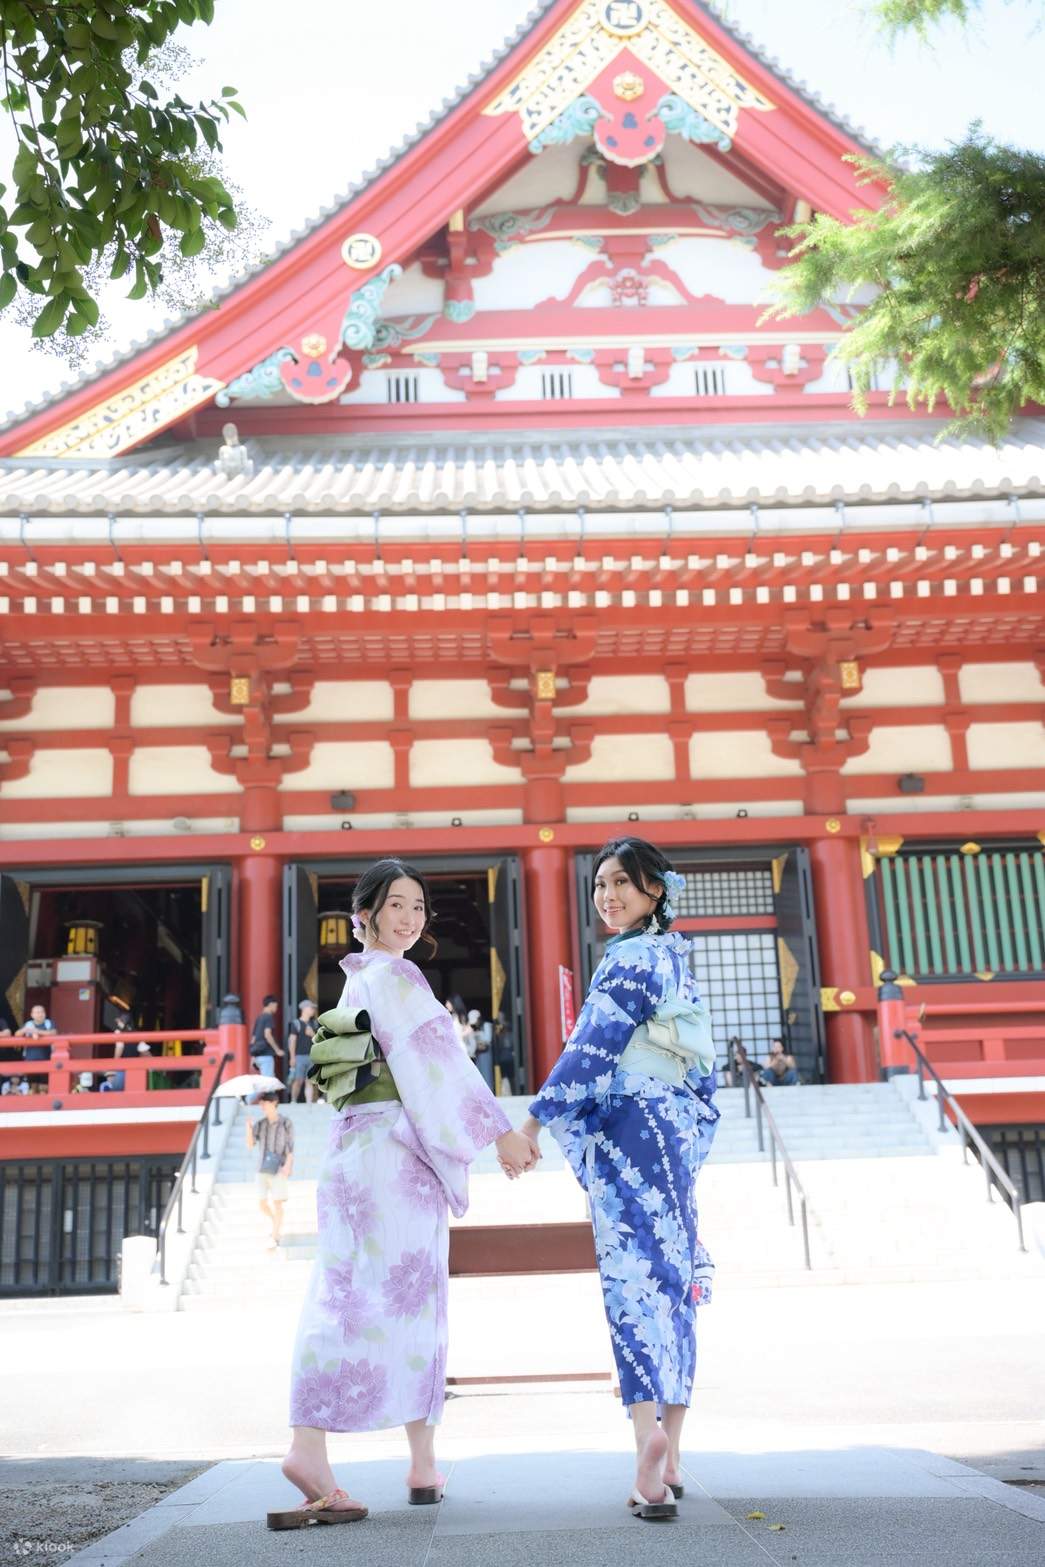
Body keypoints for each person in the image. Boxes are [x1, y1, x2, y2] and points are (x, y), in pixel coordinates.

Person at [273, 858, 538, 1530]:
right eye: (395, 904)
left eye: (418, 907)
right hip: (393, 1156)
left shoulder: (359, 983)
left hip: (355, 1152)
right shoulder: (394, 975)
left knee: (349, 1291)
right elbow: (436, 1063)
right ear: (363, 911)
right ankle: (313, 1445)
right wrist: (499, 1132)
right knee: (403, 1298)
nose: (410, 918)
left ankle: (418, 1460)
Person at [520, 837, 718, 1522]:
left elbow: (591, 1049)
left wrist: (534, 1122)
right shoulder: (674, 958)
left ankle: (647, 1450)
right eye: (600, 883)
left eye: (622, 884)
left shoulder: (628, 959)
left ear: (655, 890)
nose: (607, 895)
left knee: (630, 1281)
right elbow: (703, 1070)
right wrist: (688, 1128)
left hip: (628, 1128)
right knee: (674, 1279)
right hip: (671, 1130)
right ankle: (676, 1447)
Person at [248, 1090, 295, 1251]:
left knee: (277, 1203)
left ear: (273, 1103)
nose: (262, 1106)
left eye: (264, 1103)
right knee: (262, 1203)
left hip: (279, 1168)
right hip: (262, 1168)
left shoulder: (286, 1123)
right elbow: (250, 1144)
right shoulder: (260, 1124)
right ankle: (276, 1221)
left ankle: (274, 1236)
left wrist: (288, 1166)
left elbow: (290, 1148)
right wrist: (248, 1128)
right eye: (261, 1104)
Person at [288, 999, 318, 1105]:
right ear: (304, 1009)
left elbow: (318, 1040)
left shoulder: (314, 1023)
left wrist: (312, 1034)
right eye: (311, 1008)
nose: (313, 1010)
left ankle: (309, 1102)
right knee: (298, 1080)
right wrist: (292, 1057)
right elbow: (292, 1041)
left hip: (312, 1056)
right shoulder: (296, 1024)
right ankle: (293, 1100)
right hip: (299, 1056)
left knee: (309, 1081)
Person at [251, 994, 284, 1085]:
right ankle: (248, 1099)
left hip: (258, 1055)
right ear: (271, 1004)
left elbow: (253, 1039)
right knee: (267, 1082)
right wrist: (277, 1050)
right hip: (266, 1055)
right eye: (276, 1006)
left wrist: (253, 1056)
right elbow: (268, 1035)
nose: (276, 1008)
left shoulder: (259, 1018)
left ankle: (269, 1099)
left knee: (267, 1081)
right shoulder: (268, 1017)